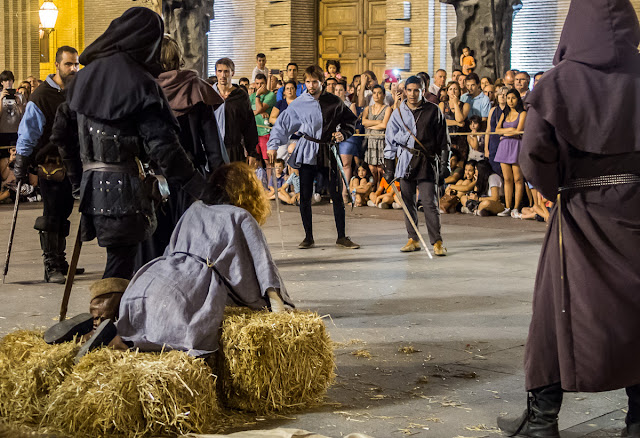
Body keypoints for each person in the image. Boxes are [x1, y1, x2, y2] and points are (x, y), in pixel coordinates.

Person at [497, 1, 640, 437]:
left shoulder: (560, 82)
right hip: (635, 210)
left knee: (554, 312)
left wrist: (553, 190)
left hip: (580, 213)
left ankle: (542, 423)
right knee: (636, 311)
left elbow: (534, 154)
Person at [53, 8, 209, 325]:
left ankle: (119, 328)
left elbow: (60, 135)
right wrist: (199, 187)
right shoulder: (140, 83)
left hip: (92, 189)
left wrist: (77, 180)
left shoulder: (82, 78)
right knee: (120, 262)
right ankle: (104, 333)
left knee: (121, 259)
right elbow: (164, 147)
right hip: (124, 192)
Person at [51, 162, 293, 360]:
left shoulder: (196, 207)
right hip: (186, 291)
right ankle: (110, 341)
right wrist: (275, 312)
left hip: (152, 278)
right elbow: (263, 271)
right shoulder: (240, 216)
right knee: (171, 340)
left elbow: (171, 247)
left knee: (133, 330)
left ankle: (87, 336)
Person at [135, 34, 226, 268]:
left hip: (152, 180)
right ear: (178, 58)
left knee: (153, 246)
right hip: (191, 182)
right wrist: (222, 182)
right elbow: (213, 145)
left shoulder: (143, 88)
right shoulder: (195, 87)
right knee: (189, 247)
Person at [267, 65, 359, 250]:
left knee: (337, 194)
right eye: (308, 82)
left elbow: (350, 121)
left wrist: (343, 134)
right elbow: (282, 124)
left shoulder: (334, 101)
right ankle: (308, 237)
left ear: (322, 82)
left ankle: (341, 236)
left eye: (314, 82)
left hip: (328, 150)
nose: (311, 85)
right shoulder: (299, 103)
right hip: (307, 151)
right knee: (306, 195)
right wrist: (273, 145)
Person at [12, 46, 80, 284]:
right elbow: (28, 132)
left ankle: (60, 260)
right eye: (68, 64)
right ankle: (51, 265)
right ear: (57, 65)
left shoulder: (76, 90)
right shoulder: (41, 96)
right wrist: (20, 162)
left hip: (72, 165)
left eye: (76, 64)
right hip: (50, 165)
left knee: (64, 212)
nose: (73, 68)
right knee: (51, 215)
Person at [384, 75, 450, 255]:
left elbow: (444, 140)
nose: (412, 94)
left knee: (429, 203)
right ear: (404, 91)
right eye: (409, 90)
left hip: (427, 162)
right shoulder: (397, 113)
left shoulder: (433, 110)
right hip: (405, 161)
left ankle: (437, 242)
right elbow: (389, 141)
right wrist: (389, 167)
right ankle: (413, 238)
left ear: (423, 91)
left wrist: (445, 164)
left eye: (416, 90)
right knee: (407, 202)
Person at [213, 57, 260, 165]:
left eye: (226, 71)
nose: (223, 75)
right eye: (220, 71)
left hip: (234, 150)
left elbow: (249, 125)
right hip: (213, 150)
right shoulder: (209, 94)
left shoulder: (241, 96)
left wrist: (252, 152)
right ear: (216, 73)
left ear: (232, 73)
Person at [494, 89, 527, 218]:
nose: (510, 101)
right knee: (507, 179)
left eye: (513, 98)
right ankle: (507, 207)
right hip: (504, 146)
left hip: (516, 145)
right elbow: (497, 130)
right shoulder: (504, 113)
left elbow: (518, 131)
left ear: (518, 99)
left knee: (518, 179)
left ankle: (516, 208)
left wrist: (505, 131)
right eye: (508, 98)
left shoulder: (522, 113)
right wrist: (510, 130)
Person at [362, 85, 392, 190]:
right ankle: (374, 184)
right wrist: (378, 122)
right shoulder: (368, 108)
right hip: (370, 141)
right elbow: (363, 122)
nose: (376, 95)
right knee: (372, 168)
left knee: (380, 168)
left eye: (379, 93)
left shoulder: (387, 108)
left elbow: (385, 125)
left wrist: (370, 126)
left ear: (384, 95)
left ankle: (381, 187)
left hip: (381, 141)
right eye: (374, 93)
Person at [250, 73, 277, 166]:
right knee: (255, 161)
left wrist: (258, 96)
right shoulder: (251, 96)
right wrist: (260, 111)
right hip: (254, 132)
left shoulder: (271, 95)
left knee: (268, 161)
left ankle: (270, 180)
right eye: (257, 83)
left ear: (266, 83)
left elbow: (258, 109)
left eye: (262, 83)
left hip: (265, 132)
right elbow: (249, 113)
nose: (259, 86)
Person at [439, 81, 470, 161]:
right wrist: (457, 123)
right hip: (446, 140)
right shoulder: (442, 104)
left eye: (455, 89)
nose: (453, 91)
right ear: (447, 92)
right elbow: (441, 122)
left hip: (460, 141)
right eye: (451, 89)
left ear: (459, 91)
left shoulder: (465, 105)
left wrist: (456, 104)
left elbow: (459, 119)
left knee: (460, 165)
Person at [485, 86, 508, 176]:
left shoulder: (511, 111)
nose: (502, 96)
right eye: (500, 94)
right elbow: (488, 130)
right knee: (494, 170)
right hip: (494, 143)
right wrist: (486, 148)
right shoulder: (492, 110)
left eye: (505, 94)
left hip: (505, 141)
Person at [0, 70, 26, 147]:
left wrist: (19, 104)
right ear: (2, 82)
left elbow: (24, 115)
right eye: (5, 80)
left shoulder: (20, 96)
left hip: (17, 131)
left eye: (10, 80)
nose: (8, 83)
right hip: (3, 130)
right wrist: (1, 99)